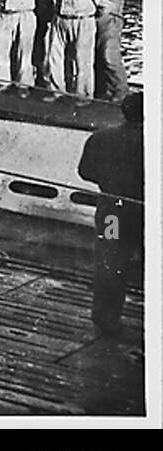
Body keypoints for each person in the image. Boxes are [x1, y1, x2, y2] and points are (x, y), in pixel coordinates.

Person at [77, 92, 144, 339]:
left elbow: (85, 172)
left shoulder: (101, 137)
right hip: (143, 212)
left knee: (110, 261)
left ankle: (106, 318)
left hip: (112, 212)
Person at [42, 0, 109, 105]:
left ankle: (83, 95)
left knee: (83, 59)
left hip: (83, 22)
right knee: (53, 56)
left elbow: (104, 7)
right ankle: (56, 91)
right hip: (59, 20)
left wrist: (87, 16)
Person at [85, 0, 130, 102]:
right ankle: (103, 90)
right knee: (97, 56)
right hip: (95, 20)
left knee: (109, 56)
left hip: (111, 22)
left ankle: (121, 91)